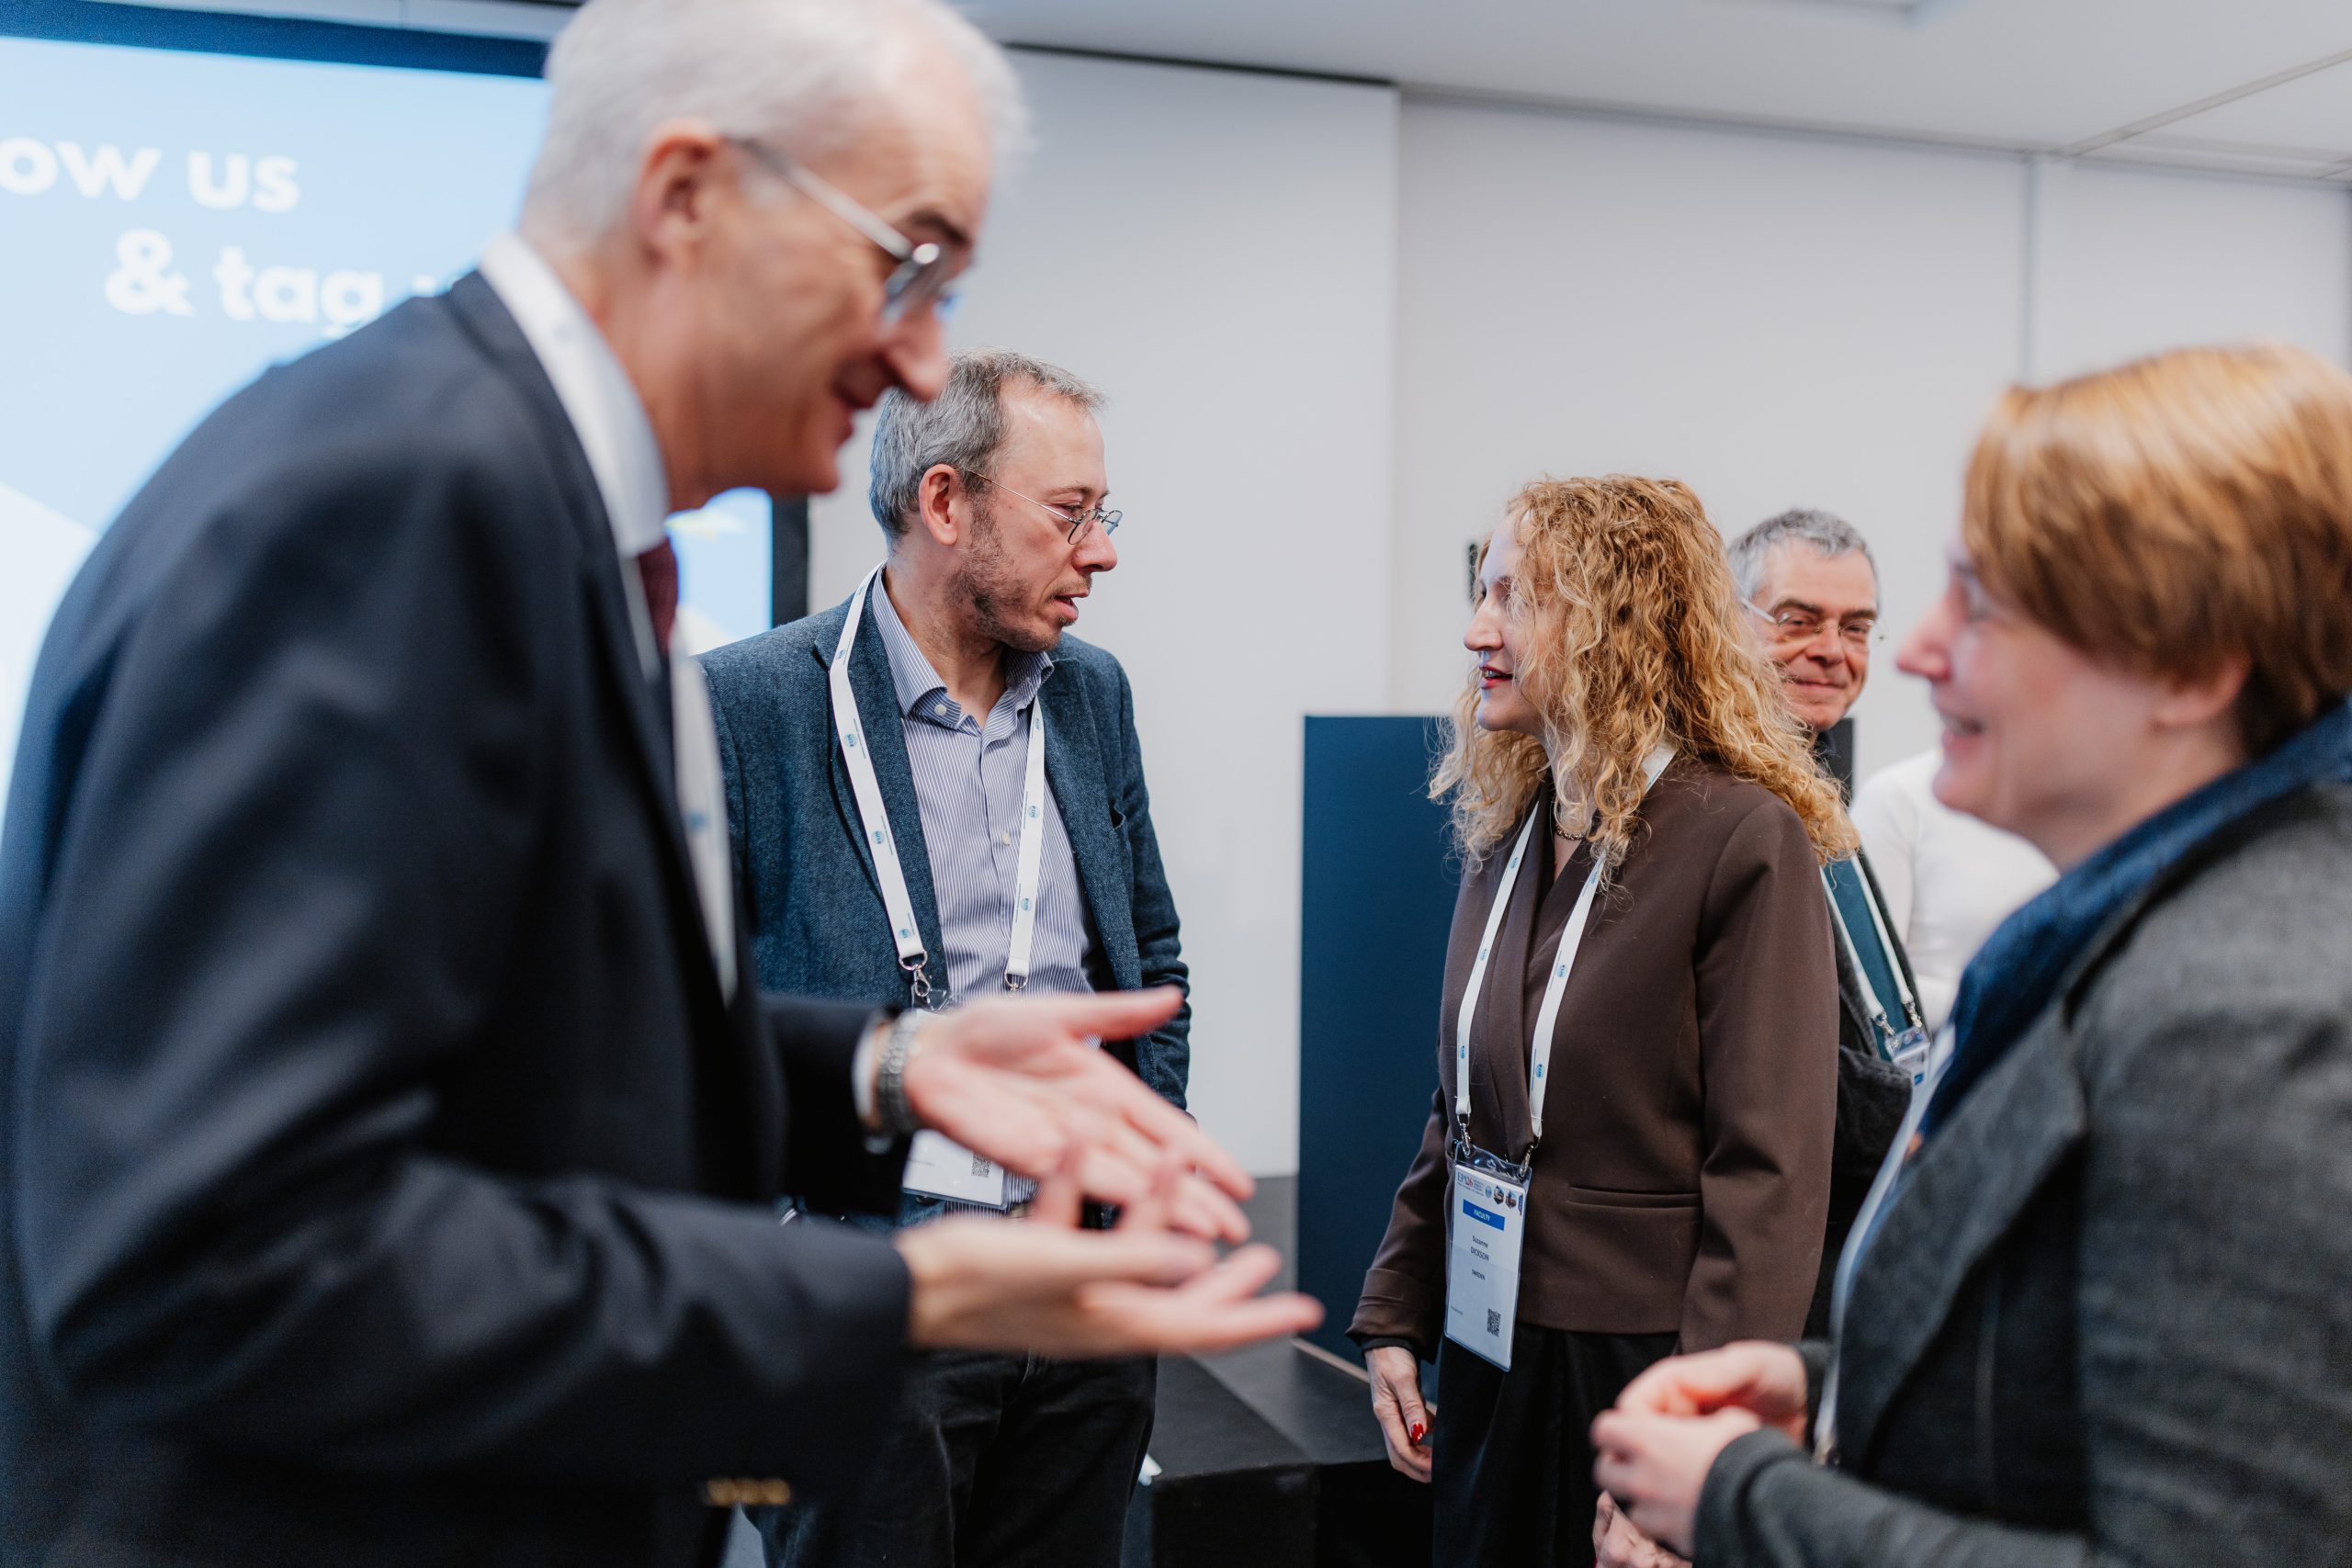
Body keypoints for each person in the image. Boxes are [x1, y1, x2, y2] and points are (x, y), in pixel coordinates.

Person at [0, 4, 1317, 1564]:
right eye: (904, 267)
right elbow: (213, 1251)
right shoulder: (392, 505)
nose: (918, 354)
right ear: (687, 195)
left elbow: (518, 1059)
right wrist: (901, 1291)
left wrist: (882, 1069)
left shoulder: (524, 501)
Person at [1592, 343, 2352, 1565]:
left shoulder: (2245, 1012)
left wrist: (1746, 1500)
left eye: (1984, 606)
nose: (1913, 650)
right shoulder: (2154, 930)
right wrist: (1832, 1387)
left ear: (2191, 669)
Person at [699, 347, 1180, 1568]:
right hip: (879, 1288)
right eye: (1070, 513)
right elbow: (692, 1010)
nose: (1101, 552)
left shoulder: (1091, 696)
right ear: (946, 503)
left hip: (1077, 1289)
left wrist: (1139, 1185)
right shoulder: (749, 706)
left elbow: (1149, 956)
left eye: (1103, 515)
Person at [1349, 475, 1846, 1567]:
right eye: (1481, 593)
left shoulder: (1739, 838)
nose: (1477, 630)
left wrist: (1701, 1442)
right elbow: (1463, 1105)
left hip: (1644, 1365)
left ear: (1613, 619)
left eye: (1514, 597)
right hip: (1489, 1340)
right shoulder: (1511, 830)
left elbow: (1768, 1176)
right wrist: (1395, 1311)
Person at [1726, 511, 1919, 1343]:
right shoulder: (1721, 803)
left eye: (1857, 627)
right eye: (1798, 620)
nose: (1833, 650)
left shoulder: (1814, 778)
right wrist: (1932, 1111)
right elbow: (1754, 1057)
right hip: (1766, 1272)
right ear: (1728, 621)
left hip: (1850, 1236)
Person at [1851, 750, 2054, 1032]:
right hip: (1948, 1051)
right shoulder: (1897, 796)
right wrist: (2017, 1006)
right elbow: (1873, 983)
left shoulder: (2085, 802)